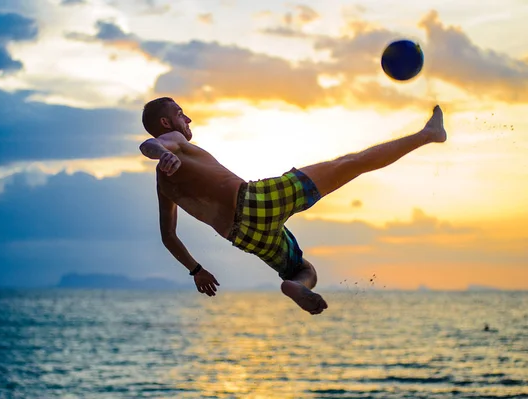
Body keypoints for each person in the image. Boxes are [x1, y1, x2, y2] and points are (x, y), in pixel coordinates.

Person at [139, 97, 447, 315]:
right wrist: (160, 151)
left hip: (243, 237)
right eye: (181, 113)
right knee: (350, 163)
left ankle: (297, 288)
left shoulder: (164, 184)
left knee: (302, 270)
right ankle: (428, 135)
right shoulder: (174, 140)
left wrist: (196, 270)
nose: (187, 119)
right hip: (254, 203)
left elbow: (168, 236)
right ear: (167, 123)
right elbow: (150, 145)